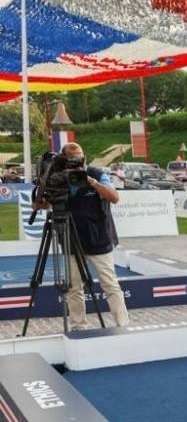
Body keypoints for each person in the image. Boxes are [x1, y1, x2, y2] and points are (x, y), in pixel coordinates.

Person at [32, 142, 129, 331]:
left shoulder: (96, 174)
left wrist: (90, 181)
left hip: (98, 239)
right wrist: (43, 188)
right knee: (73, 288)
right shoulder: (58, 177)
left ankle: (122, 325)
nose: (77, 164)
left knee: (110, 284)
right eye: (72, 160)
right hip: (69, 240)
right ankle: (78, 327)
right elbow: (42, 205)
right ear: (63, 159)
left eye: (80, 158)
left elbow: (114, 197)